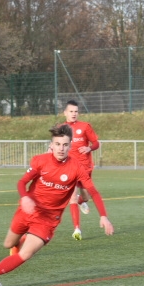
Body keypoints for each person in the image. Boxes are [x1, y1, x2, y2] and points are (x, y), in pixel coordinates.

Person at [0, 123, 113, 282]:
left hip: (48, 220)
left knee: (25, 254)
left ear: (70, 146)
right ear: (51, 145)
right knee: (8, 244)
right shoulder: (40, 161)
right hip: (27, 210)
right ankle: (21, 240)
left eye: (65, 145)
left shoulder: (76, 168)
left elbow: (93, 192)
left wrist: (103, 216)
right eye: (58, 144)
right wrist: (25, 197)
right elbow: (22, 182)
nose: (61, 148)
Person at [59, 100, 101, 240]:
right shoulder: (61, 128)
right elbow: (57, 145)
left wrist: (89, 148)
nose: (74, 114)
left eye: (76, 111)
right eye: (71, 111)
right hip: (69, 167)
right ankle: (77, 229)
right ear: (65, 113)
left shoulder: (84, 127)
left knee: (86, 196)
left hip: (85, 167)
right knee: (71, 197)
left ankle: (81, 201)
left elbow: (96, 143)